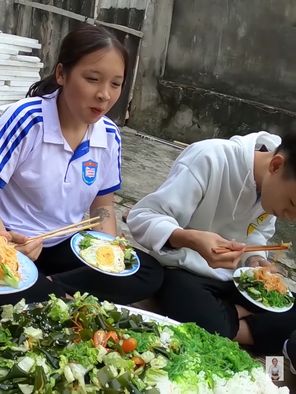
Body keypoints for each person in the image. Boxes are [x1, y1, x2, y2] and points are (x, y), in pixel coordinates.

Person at [0, 25, 163, 307]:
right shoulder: (27, 119)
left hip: (65, 243)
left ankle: (52, 289)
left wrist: (108, 253)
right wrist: (6, 242)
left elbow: (102, 207)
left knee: (147, 271)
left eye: (115, 84)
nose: (104, 95)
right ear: (61, 74)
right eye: (93, 79)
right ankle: (58, 294)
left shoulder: (109, 136)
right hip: (12, 238)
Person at [126, 131, 296, 358]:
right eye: (292, 203)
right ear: (276, 166)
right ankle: (242, 325)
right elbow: (142, 216)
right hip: (184, 271)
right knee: (193, 304)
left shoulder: (272, 190)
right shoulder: (210, 158)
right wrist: (192, 239)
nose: (291, 216)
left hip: (233, 281)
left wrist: (255, 261)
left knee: (287, 303)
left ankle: (227, 322)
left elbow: (256, 237)